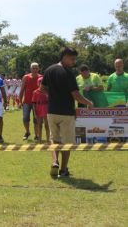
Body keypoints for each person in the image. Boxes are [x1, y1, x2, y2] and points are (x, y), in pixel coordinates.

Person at [41, 47, 93, 178]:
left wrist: (52, 96)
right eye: (72, 58)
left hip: (52, 112)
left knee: (54, 139)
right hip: (66, 113)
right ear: (64, 56)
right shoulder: (68, 73)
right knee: (67, 143)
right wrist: (88, 103)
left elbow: (42, 88)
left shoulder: (49, 70)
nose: (74, 62)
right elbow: (75, 94)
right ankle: (63, 170)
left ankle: (54, 162)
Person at [19, 63, 42, 141]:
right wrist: (20, 100)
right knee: (25, 118)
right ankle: (27, 132)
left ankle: (37, 135)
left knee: (36, 119)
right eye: (33, 68)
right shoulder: (26, 77)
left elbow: (44, 90)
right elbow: (22, 89)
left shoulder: (41, 77)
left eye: (36, 68)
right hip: (27, 101)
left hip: (38, 102)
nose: (35, 69)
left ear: (38, 69)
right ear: (30, 69)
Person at [32, 77, 49, 143]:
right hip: (38, 109)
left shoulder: (48, 92)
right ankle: (40, 139)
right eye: (40, 82)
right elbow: (33, 103)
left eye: (43, 82)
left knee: (47, 125)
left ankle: (48, 139)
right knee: (39, 125)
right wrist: (35, 113)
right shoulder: (35, 92)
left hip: (46, 109)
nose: (41, 84)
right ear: (38, 83)